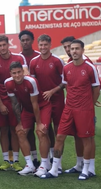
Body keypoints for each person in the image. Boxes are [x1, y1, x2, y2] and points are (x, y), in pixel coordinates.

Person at [41, 40, 100, 180]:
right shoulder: (66, 68)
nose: (74, 51)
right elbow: (67, 86)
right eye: (72, 49)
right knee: (60, 136)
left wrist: (88, 106)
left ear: (82, 51)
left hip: (84, 110)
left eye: (77, 49)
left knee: (86, 139)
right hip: (69, 108)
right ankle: (55, 168)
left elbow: (96, 89)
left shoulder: (90, 68)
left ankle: (86, 169)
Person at [0, 35, 29, 172]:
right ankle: (6, 160)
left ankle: (16, 161)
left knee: (15, 129)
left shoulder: (19, 58)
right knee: (3, 130)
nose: (2, 48)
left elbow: (26, 77)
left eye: (4, 45)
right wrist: (0, 104)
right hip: (1, 100)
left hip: (17, 101)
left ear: (8, 45)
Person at [5, 61, 51, 176]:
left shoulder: (31, 81)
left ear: (23, 71)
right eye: (14, 73)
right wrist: (19, 122)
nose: (17, 75)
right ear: (10, 73)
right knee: (20, 132)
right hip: (27, 109)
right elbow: (15, 104)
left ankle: (44, 165)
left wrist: (39, 123)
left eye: (19, 72)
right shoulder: (8, 83)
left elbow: (35, 104)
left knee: (41, 132)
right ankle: (29, 165)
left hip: (42, 107)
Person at [30, 34, 66, 175]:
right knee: (44, 129)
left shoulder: (57, 61)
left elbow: (65, 81)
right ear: (38, 46)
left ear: (50, 45)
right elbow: (32, 82)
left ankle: (59, 162)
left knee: (58, 131)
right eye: (41, 45)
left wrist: (53, 91)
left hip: (56, 99)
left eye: (45, 44)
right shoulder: (34, 62)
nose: (43, 47)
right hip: (42, 102)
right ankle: (49, 160)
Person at [60, 36, 96, 175]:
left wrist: (89, 104)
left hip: (84, 108)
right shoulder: (70, 63)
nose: (69, 50)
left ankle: (90, 167)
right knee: (77, 135)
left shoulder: (86, 63)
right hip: (73, 106)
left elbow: (95, 86)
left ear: (80, 48)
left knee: (88, 136)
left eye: (72, 47)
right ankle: (80, 164)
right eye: (66, 47)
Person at [19, 30, 40, 168]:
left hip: (40, 99)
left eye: (27, 40)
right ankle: (34, 158)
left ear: (32, 40)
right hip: (24, 101)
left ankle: (49, 158)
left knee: (44, 129)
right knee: (27, 131)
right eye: (23, 40)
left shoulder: (39, 55)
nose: (25, 42)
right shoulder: (18, 58)